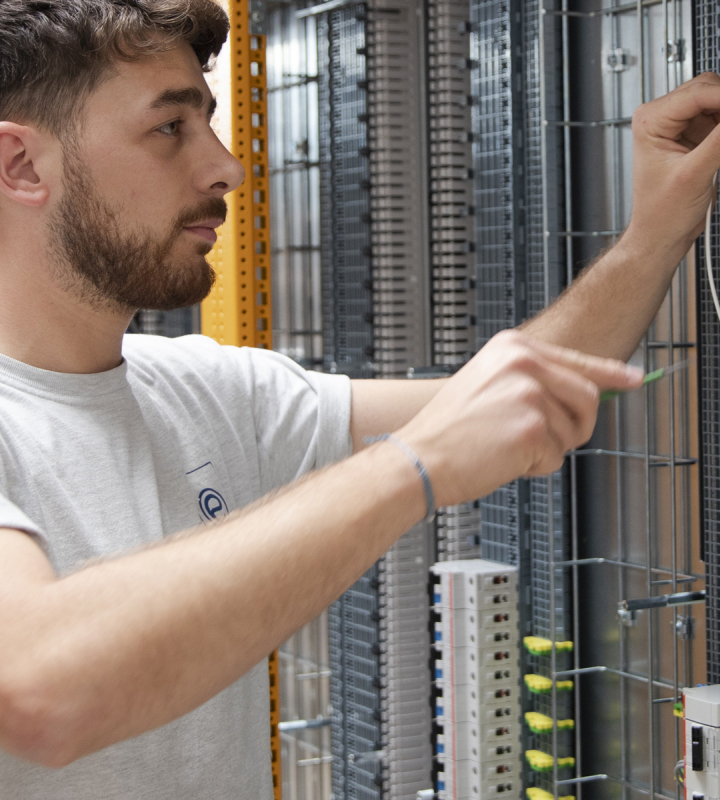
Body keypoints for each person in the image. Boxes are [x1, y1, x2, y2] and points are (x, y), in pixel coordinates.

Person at [0, 0, 717, 798]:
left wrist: (657, 228)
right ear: (22, 166)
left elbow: (532, 391)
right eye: (170, 128)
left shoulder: (207, 393)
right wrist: (414, 466)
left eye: (208, 121)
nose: (226, 165)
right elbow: (36, 690)